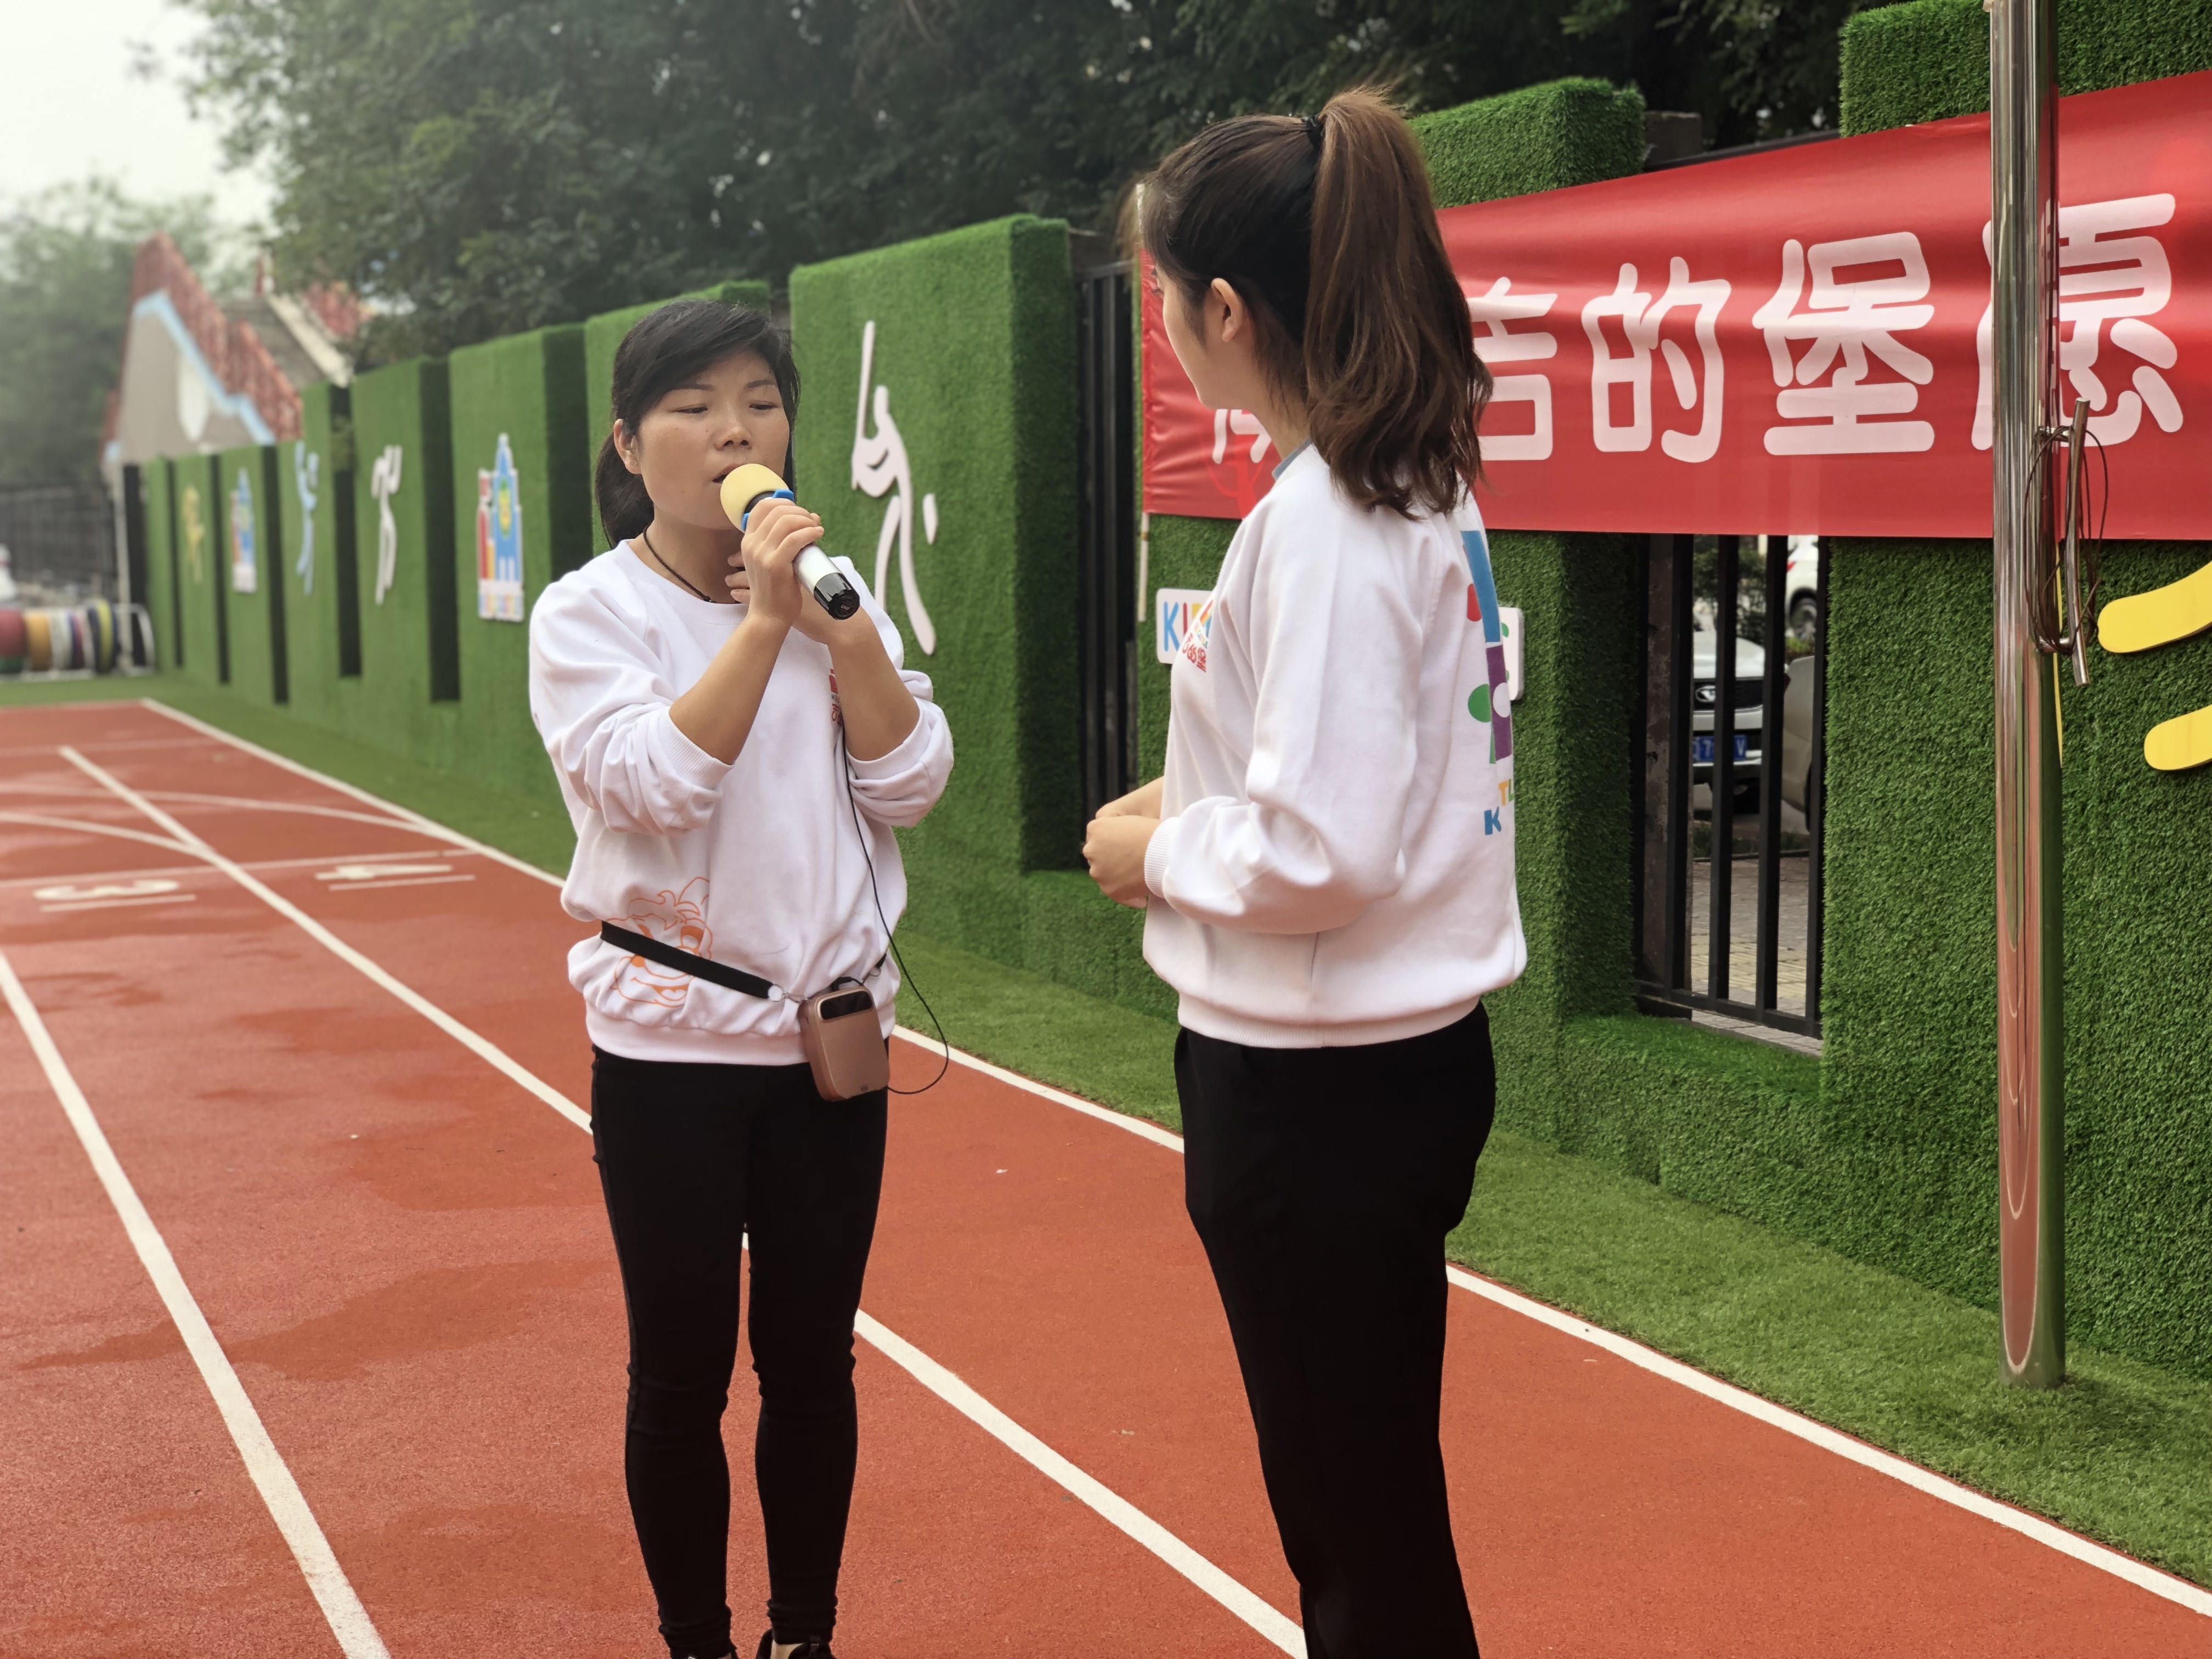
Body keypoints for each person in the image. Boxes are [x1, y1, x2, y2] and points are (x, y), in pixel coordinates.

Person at [1082, 88, 1523, 1659]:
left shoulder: (1330, 515)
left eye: (1162, 299)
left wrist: (1151, 851)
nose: (1160, 330)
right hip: (1391, 1069)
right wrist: (1194, 797)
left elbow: (1322, 847)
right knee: (1373, 1509)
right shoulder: (1409, 482)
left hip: (1314, 1091)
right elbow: (1371, 765)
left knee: (1358, 1538)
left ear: (1224, 310)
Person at [528, 299, 953, 1659]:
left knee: (814, 1366)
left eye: (761, 402)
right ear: (628, 444)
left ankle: (806, 1636)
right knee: (680, 1374)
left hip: (832, 1051)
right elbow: (649, 787)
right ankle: (697, 1641)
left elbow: (913, 783)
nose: (735, 432)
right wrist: (764, 627)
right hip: (672, 1057)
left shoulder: (833, 590)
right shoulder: (588, 613)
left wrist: (843, 635)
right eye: (696, 406)